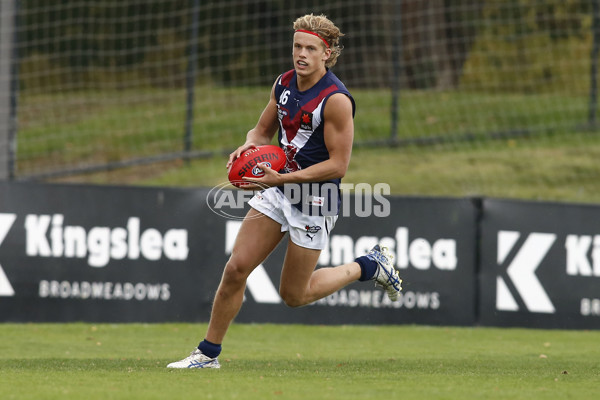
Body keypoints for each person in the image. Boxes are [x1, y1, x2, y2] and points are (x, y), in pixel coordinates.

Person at [167, 13, 402, 369]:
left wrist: (281, 179)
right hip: (277, 190)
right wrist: (247, 147)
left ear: (327, 54)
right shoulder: (283, 84)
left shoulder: (336, 100)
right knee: (236, 268)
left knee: (294, 295)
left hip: (314, 199)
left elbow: (338, 166)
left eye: (310, 48)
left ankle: (369, 265)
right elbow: (261, 131)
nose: (301, 54)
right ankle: (207, 354)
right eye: (297, 46)